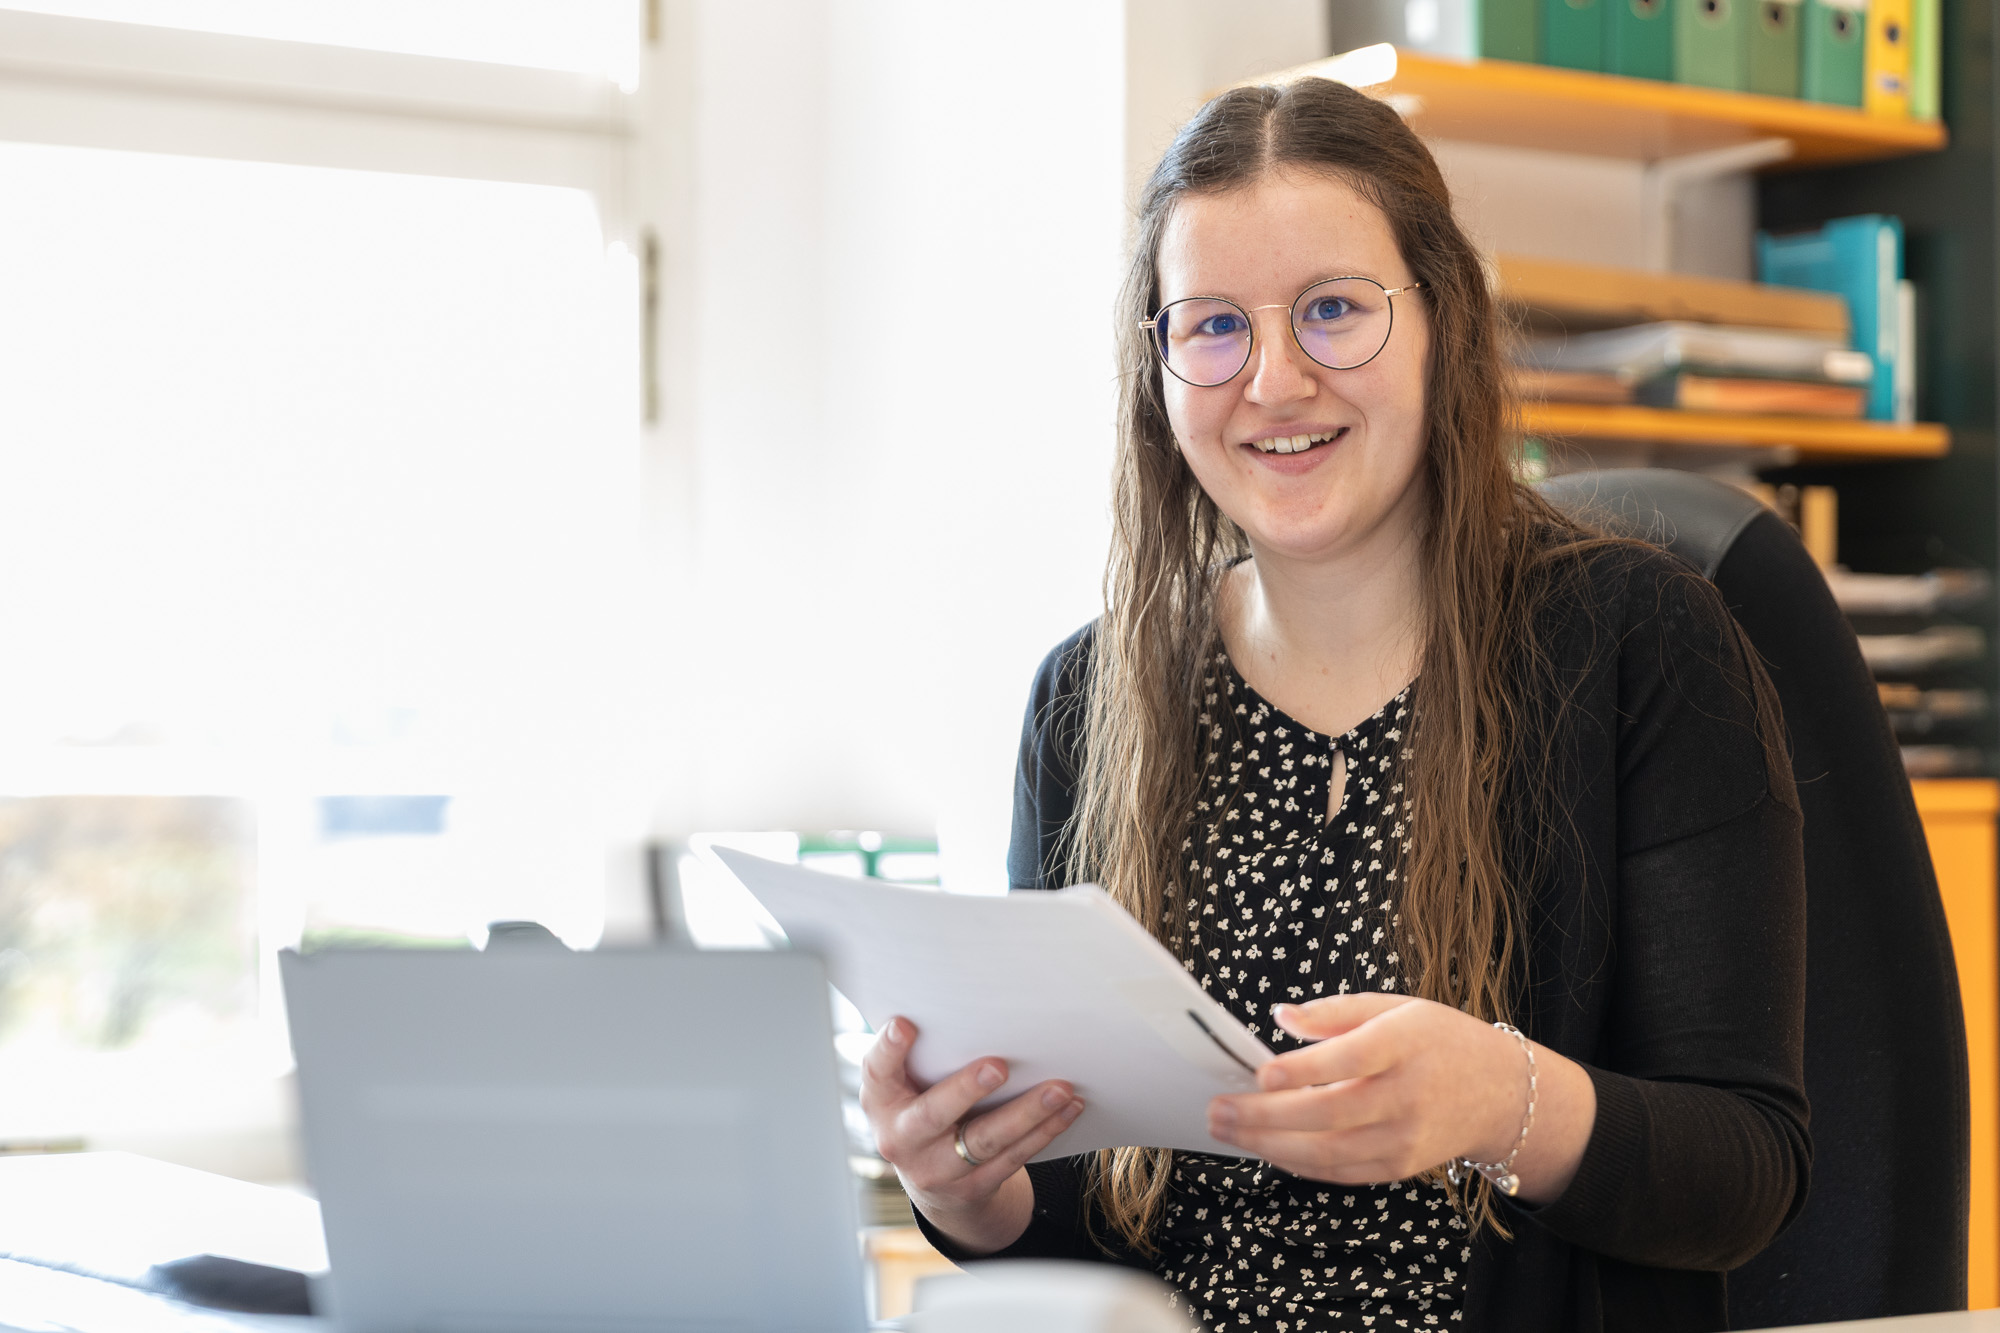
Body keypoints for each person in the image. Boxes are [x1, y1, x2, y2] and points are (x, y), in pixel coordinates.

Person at [859, 77, 1808, 1333]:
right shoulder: (1086, 700)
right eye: (1212, 326)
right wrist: (966, 1191)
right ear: (1157, 367)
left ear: (1441, 321)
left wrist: (1501, 1101)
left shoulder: (1637, 645)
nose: (1272, 382)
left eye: (1331, 311)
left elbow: (1746, 1171)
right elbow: (1083, 1213)